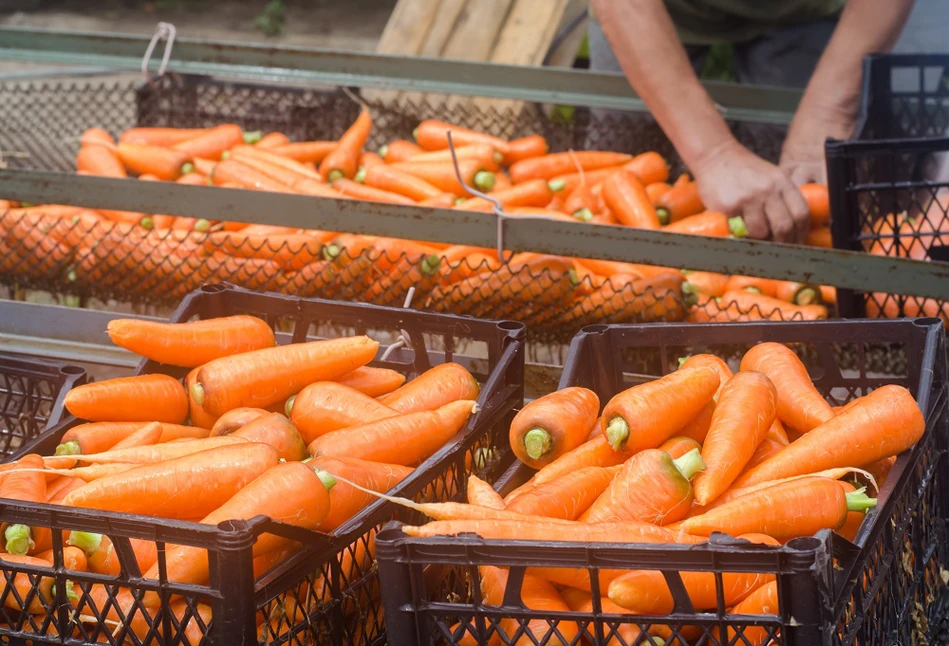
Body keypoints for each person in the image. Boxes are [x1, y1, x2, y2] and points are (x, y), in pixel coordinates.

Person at [588, 0, 917, 242]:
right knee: (615, 185)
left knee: (801, 194)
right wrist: (714, 155)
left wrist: (827, 113)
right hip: (649, 10)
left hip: (804, 11)